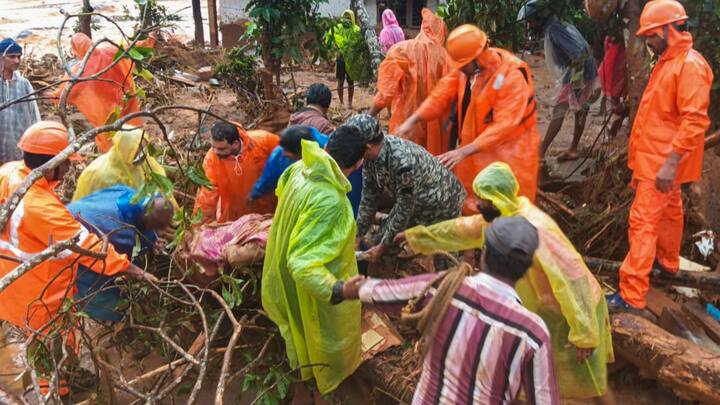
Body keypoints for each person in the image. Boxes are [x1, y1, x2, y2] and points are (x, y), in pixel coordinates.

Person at [397, 162, 614, 401]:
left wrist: (584, 333)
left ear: (497, 198)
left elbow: (572, 279)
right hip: (549, 311)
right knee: (549, 374)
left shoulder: (536, 229)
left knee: (581, 377)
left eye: (483, 200)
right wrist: (415, 237)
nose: (477, 205)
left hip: (576, 311)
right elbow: (460, 230)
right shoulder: (500, 221)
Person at [0, 122, 156, 395]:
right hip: (38, 291)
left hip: (12, 277)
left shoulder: (9, 172)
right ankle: (57, 392)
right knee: (51, 342)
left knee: (50, 337)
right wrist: (133, 270)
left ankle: (64, 375)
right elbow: (86, 246)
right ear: (53, 165)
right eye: (67, 162)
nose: (71, 168)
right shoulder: (42, 208)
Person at [342, 216, 559, 404]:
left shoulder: (445, 289)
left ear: (483, 253)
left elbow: (384, 291)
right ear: (525, 269)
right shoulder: (533, 333)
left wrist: (347, 289)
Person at [606, 0, 712, 315]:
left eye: (652, 36)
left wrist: (668, 164)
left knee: (642, 222)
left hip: (661, 164)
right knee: (670, 213)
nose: (649, 42)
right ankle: (667, 264)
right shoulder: (670, 60)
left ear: (669, 30)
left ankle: (632, 296)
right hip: (657, 160)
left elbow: (695, 121)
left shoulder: (688, 65)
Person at [261, 125, 365, 401]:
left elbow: (283, 200)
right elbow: (303, 264)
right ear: (358, 163)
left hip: (279, 274)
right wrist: (339, 290)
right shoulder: (331, 200)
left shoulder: (299, 169)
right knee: (324, 343)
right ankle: (322, 389)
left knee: (299, 337)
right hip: (310, 289)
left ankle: (306, 383)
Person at [397, 25, 540, 215]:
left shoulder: (512, 76)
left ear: (477, 58)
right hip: (475, 148)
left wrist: (463, 151)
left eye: (463, 65)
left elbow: (504, 125)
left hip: (510, 153)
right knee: (472, 201)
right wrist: (414, 118)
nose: (460, 70)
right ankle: (473, 238)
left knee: (507, 205)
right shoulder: (468, 70)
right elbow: (442, 93)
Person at [347, 114, 465, 264]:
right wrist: (357, 235)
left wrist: (383, 246)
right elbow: (369, 198)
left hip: (443, 202)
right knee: (381, 243)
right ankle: (385, 277)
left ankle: (451, 283)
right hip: (414, 202)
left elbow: (404, 210)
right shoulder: (370, 159)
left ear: (367, 147)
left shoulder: (402, 163)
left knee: (444, 261)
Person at [68, 186, 174, 321]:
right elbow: (120, 264)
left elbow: (140, 223)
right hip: (71, 246)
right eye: (157, 227)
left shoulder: (130, 194)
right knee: (100, 295)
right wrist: (142, 274)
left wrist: (152, 240)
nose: (160, 231)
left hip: (72, 213)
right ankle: (117, 318)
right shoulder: (119, 233)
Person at [518, 0, 599, 161]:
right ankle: (573, 148)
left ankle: (541, 152)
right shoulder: (559, 24)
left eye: (531, 22)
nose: (530, 26)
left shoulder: (555, 29)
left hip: (576, 75)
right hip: (581, 73)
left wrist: (575, 83)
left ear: (540, 18)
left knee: (559, 111)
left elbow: (579, 52)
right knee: (581, 110)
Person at [370, 8, 450, 155]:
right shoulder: (446, 58)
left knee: (405, 166)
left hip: (406, 124)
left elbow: (386, 92)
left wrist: (369, 115)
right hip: (436, 132)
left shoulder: (402, 50)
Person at [53, 33, 150, 152]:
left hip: (106, 110)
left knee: (109, 137)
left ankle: (117, 158)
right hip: (126, 98)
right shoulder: (112, 49)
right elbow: (134, 48)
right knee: (132, 127)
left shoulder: (78, 72)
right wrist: (150, 39)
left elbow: (63, 92)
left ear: (76, 50)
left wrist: (53, 96)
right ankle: (136, 149)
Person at [194, 122, 279, 223]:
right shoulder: (212, 159)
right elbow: (206, 195)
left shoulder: (264, 141)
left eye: (221, 149)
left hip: (268, 208)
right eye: (213, 147)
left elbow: (287, 157)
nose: (215, 152)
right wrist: (199, 224)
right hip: (235, 216)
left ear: (235, 144)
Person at [73, 128, 170, 201]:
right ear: (125, 151)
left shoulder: (145, 162)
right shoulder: (104, 176)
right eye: (136, 150)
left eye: (143, 148)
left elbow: (162, 186)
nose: (141, 154)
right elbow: (110, 209)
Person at [249, 125, 329, 206]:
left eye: (287, 151)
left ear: (301, 151)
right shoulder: (280, 155)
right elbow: (270, 177)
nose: (284, 153)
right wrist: (255, 194)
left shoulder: (327, 151)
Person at [0, 38, 41, 165]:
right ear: (1, 57)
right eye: (12, 57)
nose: (17, 61)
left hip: (18, 146)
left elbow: (34, 114)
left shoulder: (23, 84)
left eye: (19, 57)